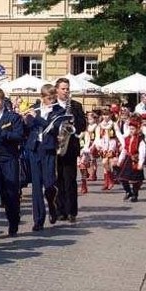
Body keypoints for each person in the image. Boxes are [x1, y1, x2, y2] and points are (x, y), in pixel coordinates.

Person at [24, 84, 65, 231]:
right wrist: (26, 118)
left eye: (53, 98)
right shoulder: (34, 107)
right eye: (49, 98)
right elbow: (28, 126)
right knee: (36, 186)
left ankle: (52, 206)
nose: (52, 100)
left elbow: (53, 128)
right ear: (42, 97)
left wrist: (38, 118)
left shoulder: (59, 111)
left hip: (48, 149)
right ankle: (38, 220)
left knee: (49, 184)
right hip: (34, 149)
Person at [0, 88, 24, 237]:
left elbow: (19, 135)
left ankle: (13, 222)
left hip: (9, 158)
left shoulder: (13, 117)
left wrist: (3, 134)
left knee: (10, 194)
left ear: (3, 101)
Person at [54, 78, 87, 223]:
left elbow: (83, 125)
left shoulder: (75, 106)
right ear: (57, 90)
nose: (66, 91)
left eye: (67, 88)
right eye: (63, 89)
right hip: (55, 147)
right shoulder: (52, 106)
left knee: (70, 180)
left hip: (70, 146)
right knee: (57, 180)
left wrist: (74, 122)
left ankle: (72, 211)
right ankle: (60, 210)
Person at [116, 116, 146, 202]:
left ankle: (135, 194)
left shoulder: (140, 140)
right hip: (127, 160)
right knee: (122, 178)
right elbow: (124, 150)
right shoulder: (127, 139)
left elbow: (142, 152)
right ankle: (128, 191)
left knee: (135, 179)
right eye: (130, 129)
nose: (131, 131)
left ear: (137, 129)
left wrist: (141, 163)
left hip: (135, 160)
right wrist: (120, 160)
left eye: (133, 129)